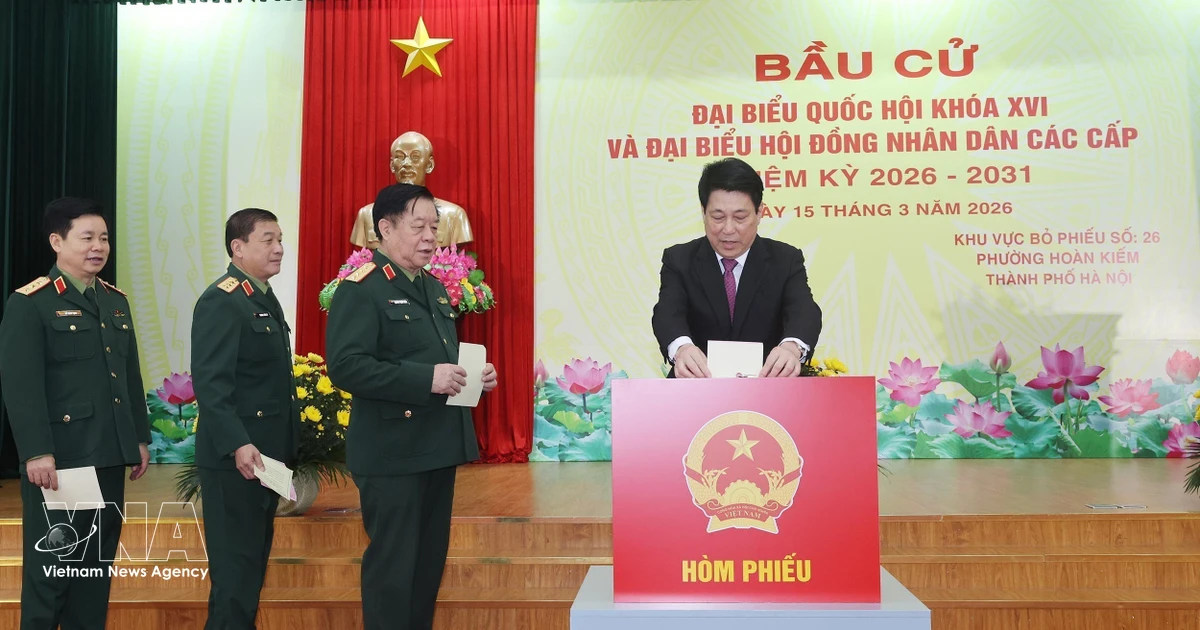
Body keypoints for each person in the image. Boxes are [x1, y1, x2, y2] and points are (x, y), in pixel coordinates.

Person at [326, 183, 497, 630]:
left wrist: (473, 377)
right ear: (384, 228)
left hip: (436, 448)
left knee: (425, 571)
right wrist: (427, 379)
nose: (430, 236)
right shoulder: (360, 289)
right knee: (393, 573)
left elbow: (439, 360)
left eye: (434, 227)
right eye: (418, 226)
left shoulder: (435, 288)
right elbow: (346, 367)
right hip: (392, 453)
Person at [0, 197, 150, 629]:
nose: (97, 246)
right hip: (62, 462)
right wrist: (36, 452)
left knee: (92, 574)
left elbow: (130, 376)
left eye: (103, 238)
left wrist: (138, 438)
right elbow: (21, 386)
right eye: (86, 237)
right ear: (56, 242)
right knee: (54, 573)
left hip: (107, 457)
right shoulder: (32, 303)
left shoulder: (115, 301)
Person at [191, 208, 299, 629]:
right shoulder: (222, 299)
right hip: (237, 461)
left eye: (280, 239)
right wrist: (237, 442)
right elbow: (212, 384)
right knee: (235, 576)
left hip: (265, 459)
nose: (279, 248)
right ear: (237, 248)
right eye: (268, 240)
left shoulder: (259, 295)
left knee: (250, 571)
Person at [651, 157, 822, 378]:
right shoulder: (679, 259)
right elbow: (667, 314)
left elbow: (804, 311)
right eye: (718, 217)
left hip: (770, 388)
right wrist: (682, 348)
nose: (728, 229)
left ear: (760, 212)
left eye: (740, 217)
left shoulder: (785, 259)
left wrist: (791, 347)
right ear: (703, 212)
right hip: (695, 389)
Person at [349, 131, 474, 249]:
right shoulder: (367, 215)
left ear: (429, 165)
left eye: (415, 157)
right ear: (392, 165)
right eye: (400, 157)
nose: (406, 163)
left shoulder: (454, 216)